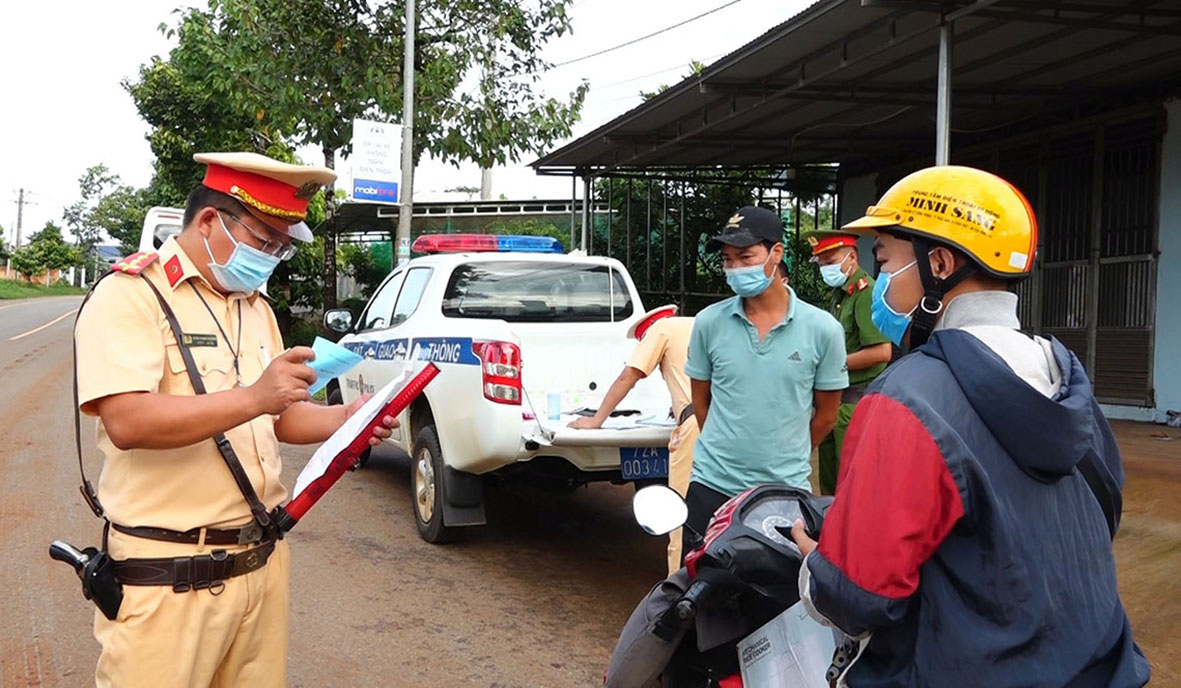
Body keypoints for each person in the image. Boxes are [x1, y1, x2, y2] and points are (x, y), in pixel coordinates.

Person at [790, 166, 1150, 686]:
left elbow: (860, 595)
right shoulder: (1065, 373)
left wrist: (815, 566)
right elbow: (1101, 515)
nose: (879, 281)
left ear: (938, 263)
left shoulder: (906, 397)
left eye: (884, 258)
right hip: (1101, 665)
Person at [73, 152, 398, 688]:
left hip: (260, 568)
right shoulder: (132, 295)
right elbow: (127, 421)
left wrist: (349, 417)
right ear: (209, 221)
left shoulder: (256, 308)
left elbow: (280, 418)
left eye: (281, 247)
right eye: (264, 240)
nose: (272, 256)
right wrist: (255, 396)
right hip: (169, 580)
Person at [683, 206, 847, 557]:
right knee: (697, 599)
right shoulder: (709, 323)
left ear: (777, 253)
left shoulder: (823, 330)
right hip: (712, 485)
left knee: (773, 603)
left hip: (783, 493)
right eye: (728, 259)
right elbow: (701, 401)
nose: (736, 268)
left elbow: (827, 415)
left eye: (746, 256)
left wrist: (785, 452)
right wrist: (729, 448)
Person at [569, 305, 696, 574]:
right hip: (733, 424)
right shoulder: (701, 324)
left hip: (696, 427)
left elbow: (629, 376)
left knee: (679, 515)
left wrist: (596, 420)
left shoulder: (660, 330)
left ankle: (676, 590)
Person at [804, 230, 891, 495]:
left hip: (855, 404)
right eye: (821, 264)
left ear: (851, 257)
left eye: (830, 261)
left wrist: (830, 364)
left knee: (850, 486)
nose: (825, 269)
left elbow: (881, 352)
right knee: (829, 487)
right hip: (835, 404)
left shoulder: (866, 293)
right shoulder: (841, 294)